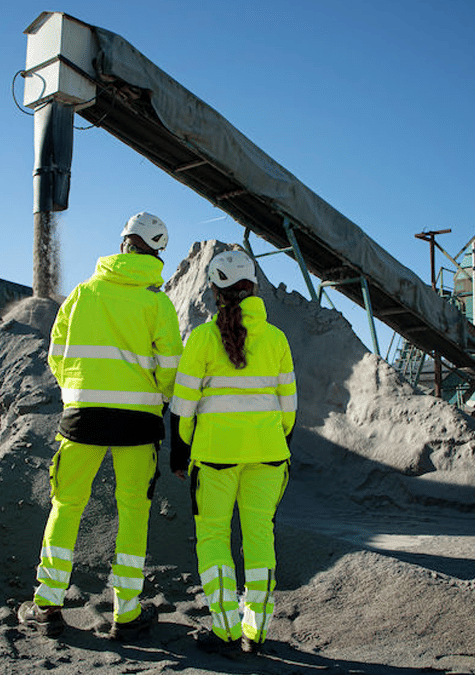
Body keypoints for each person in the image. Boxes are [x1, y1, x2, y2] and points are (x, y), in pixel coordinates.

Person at [18, 212, 182, 641]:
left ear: (123, 243)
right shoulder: (158, 303)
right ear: (158, 251)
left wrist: (79, 391)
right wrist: (155, 400)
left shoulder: (82, 294)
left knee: (67, 505)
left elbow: (56, 355)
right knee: (133, 512)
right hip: (138, 424)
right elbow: (171, 369)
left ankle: (47, 605)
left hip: (82, 417)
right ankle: (126, 614)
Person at [170, 249, 296, 655]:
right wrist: (278, 443)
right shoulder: (277, 339)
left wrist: (180, 451)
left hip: (214, 457)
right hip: (268, 456)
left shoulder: (203, 338)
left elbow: (183, 406)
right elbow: (289, 409)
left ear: (213, 291)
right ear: (254, 287)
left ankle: (225, 629)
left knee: (213, 537)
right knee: (260, 537)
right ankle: (255, 631)